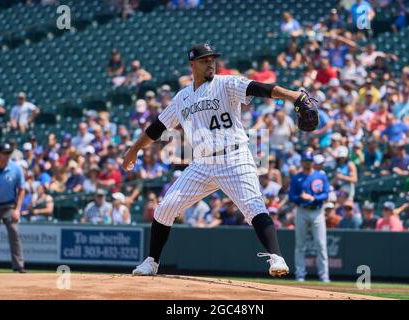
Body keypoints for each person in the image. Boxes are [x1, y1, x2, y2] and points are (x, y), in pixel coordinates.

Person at [123, 43, 319, 277]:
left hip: (234, 156)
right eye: (204, 60)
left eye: (212, 59)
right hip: (202, 164)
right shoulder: (182, 97)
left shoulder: (226, 83)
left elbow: (261, 88)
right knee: (165, 208)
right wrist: (133, 150)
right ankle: (151, 262)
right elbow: (157, 128)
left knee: (254, 207)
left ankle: (276, 258)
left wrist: (294, 96)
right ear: (192, 64)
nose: (210, 63)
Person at [289, 151, 330, 282]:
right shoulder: (297, 177)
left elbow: (326, 194)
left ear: (313, 162)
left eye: (310, 160)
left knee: (321, 244)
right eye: (305, 160)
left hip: (317, 211)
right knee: (300, 245)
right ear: (301, 162)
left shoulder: (320, 176)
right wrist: (300, 197)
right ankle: (300, 274)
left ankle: (324, 275)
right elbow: (291, 197)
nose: (308, 163)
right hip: (302, 210)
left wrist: (313, 198)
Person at [0, 142, 26, 272]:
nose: (6, 156)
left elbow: (22, 189)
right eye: (4, 153)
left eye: (8, 153)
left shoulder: (16, 168)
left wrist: (17, 209)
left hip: (9, 205)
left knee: (14, 232)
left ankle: (18, 265)